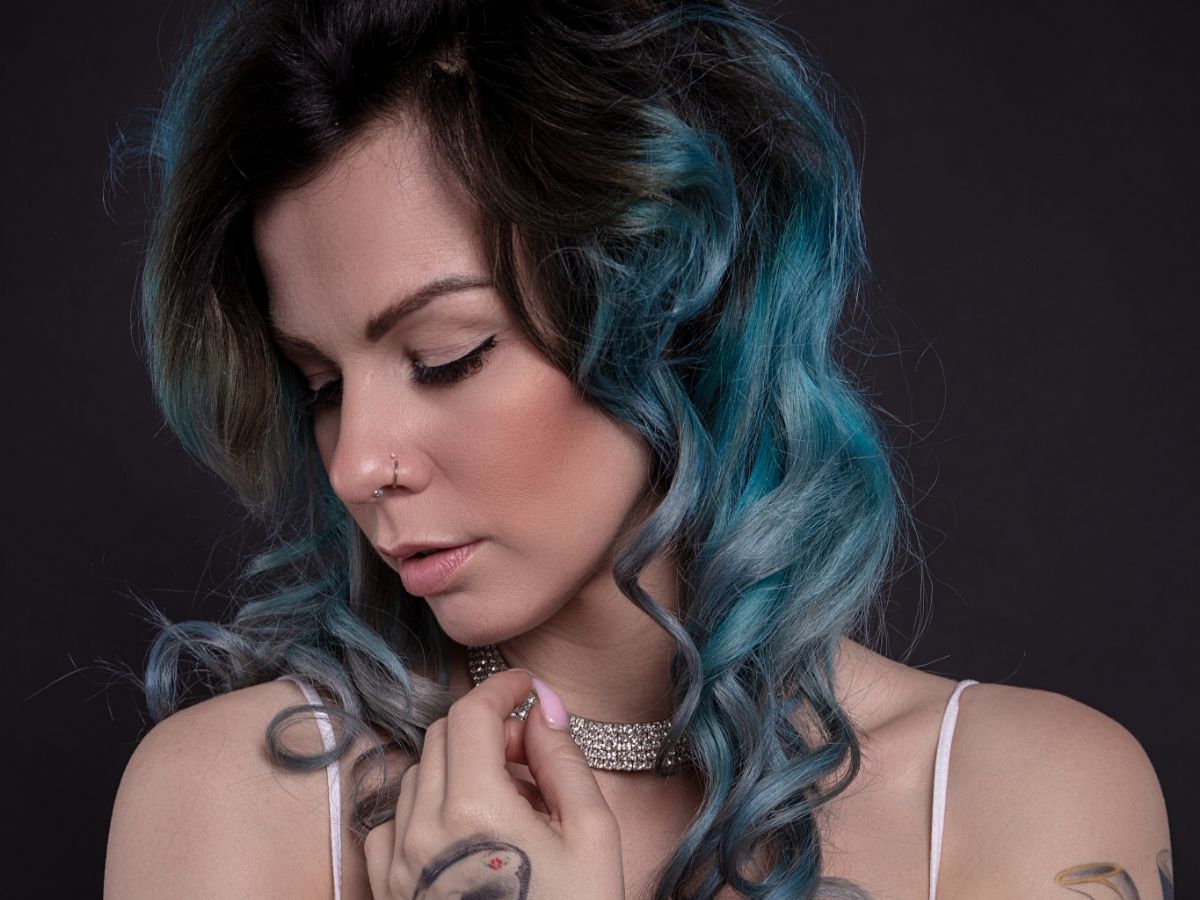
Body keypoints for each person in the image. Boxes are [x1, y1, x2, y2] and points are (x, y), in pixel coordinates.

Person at [103, 1, 1172, 898]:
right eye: (323, 386)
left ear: (673, 309)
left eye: (445, 356)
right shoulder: (234, 802)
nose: (355, 465)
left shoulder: (1026, 794)